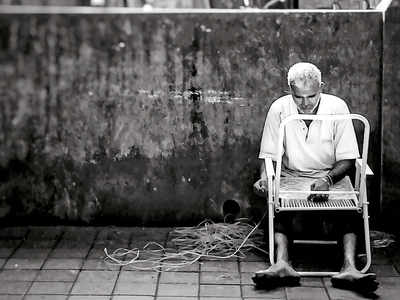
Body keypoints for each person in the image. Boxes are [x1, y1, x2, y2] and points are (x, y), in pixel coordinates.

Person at [252, 62, 379, 293]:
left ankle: (350, 267)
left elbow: (348, 159)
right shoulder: (279, 108)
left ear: (321, 86)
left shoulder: (337, 107)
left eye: (312, 95)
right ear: (289, 88)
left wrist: (327, 181)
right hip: (291, 174)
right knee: (278, 200)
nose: (306, 103)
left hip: (330, 174)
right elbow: (269, 155)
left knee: (351, 205)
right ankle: (282, 263)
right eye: (298, 97)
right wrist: (265, 178)